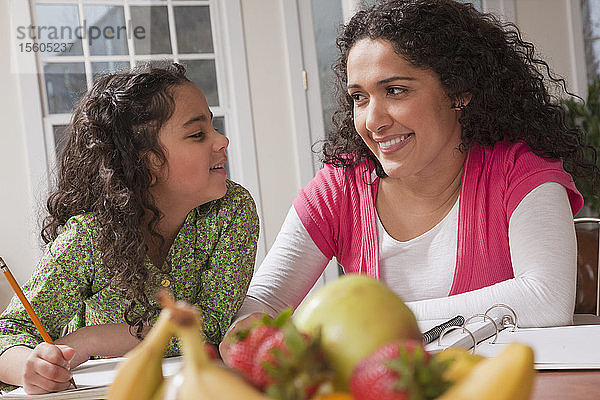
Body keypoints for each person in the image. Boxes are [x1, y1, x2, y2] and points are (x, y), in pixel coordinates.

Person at [221, 0, 600, 353]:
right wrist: (248, 328)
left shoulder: (519, 170)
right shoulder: (340, 187)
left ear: (458, 91)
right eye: (359, 97)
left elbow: (547, 299)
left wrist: (371, 319)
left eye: (396, 91)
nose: (373, 120)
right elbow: (262, 302)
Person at [0, 63, 259, 394]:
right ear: (146, 160)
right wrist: (31, 367)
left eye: (213, 126)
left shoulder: (232, 210)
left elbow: (211, 326)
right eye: (197, 134)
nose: (223, 139)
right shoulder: (88, 238)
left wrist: (93, 338)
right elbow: (8, 332)